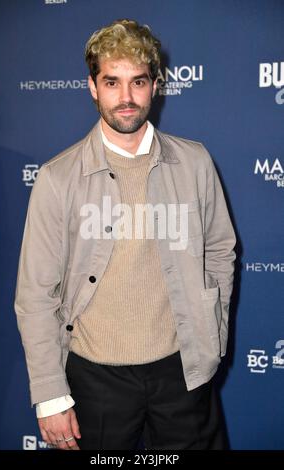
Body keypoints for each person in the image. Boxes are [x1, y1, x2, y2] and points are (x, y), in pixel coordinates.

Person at [14, 19, 236, 451]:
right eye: (112, 82)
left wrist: (212, 333)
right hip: (95, 380)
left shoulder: (194, 163)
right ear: (93, 88)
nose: (127, 97)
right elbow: (35, 293)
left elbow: (221, 253)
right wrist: (49, 394)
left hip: (182, 373)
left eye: (138, 81)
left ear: (156, 85)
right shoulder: (58, 178)